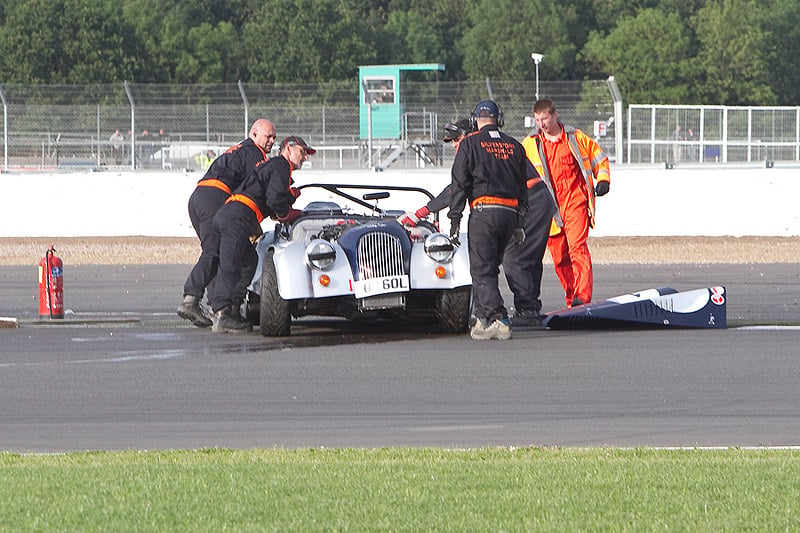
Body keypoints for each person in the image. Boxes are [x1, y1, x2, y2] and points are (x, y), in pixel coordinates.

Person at [400, 117, 555, 329]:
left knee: (513, 257)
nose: (455, 145)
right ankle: (526, 308)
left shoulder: (476, 146)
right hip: (536, 198)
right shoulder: (494, 145)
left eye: (456, 140)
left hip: (529, 199)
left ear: (468, 134)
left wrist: (420, 213)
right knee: (524, 256)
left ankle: (525, 311)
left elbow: (457, 188)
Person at [207, 135, 313, 334]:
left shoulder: (273, 167)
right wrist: (288, 212)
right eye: (302, 152)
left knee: (249, 261)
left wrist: (288, 197)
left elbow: (269, 197)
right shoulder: (282, 165)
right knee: (230, 265)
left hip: (231, 214)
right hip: (238, 216)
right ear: (288, 149)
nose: (305, 157)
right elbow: (274, 200)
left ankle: (233, 308)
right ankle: (221, 315)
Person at [177, 119, 277, 328]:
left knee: (244, 256)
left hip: (199, 197)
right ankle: (200, 302)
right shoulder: (255, 153)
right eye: (268, 136)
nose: (271, 141)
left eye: (274, 138)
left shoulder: (238, 150)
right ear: (254, 134)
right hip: (216, 197)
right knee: (216, 252)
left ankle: (224, 307)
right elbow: (257, 188)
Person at [447, 100, 528, 341]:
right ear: (498, 119)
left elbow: (459, 184)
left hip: (484, 212)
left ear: (474, 121)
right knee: (490, 268)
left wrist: (454, 219)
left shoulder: (470, 144)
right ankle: (482, 318)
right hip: (509, 214)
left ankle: (499, 317)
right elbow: (522, 188)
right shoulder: (515, 145)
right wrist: (520, 223)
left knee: (481, 269)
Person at [523, 98, 610, 308]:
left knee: (577, 249)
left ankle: (582, 297)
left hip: (575, 202)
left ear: (554, 115)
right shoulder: (530, 144)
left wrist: (604, 179)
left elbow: (599, 157)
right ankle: (572, 299)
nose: (541, 124)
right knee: (560, 257)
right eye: (537, 120)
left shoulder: (576, 138)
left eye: (544, 119)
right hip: (548, 209)